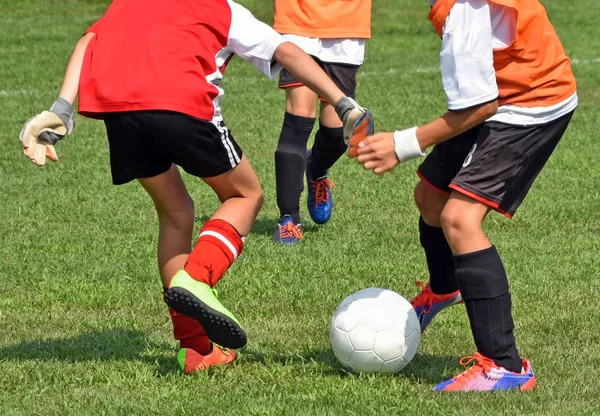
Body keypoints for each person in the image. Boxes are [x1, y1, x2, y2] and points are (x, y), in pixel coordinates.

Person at [20, 0, 372, 374]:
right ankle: (198, 277)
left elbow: (87, 42)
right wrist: (341, 100)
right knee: (245, 195)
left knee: (175, 213)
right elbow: (287, 50)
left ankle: (195, 349)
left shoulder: (126, 4)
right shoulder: (221, 8)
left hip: (120, 113)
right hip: (181, 103)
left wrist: (61, 109)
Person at [353, 0, 577, 391]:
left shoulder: (463, 13)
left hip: (531, 103)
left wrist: (403, 144)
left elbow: (479, 105)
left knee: (459, 219)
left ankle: (504, 365)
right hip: (501, 95)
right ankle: (444, 289)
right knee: (429, 198)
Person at [271, 0, 373, 243]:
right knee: (298, 117)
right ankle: (289, 220)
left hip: (347, 22)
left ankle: (315, 168)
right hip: (296, 18)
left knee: (337, 131)